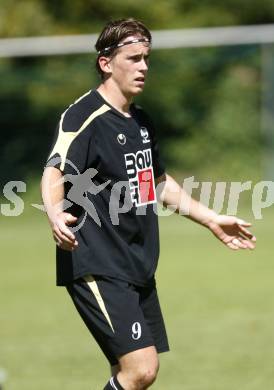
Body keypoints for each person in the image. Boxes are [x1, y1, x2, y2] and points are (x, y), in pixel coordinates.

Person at [41, 18, 256, 390]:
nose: (143, 67)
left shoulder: (141, 122)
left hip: (136, 262)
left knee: (133, 374)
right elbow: (55, 169)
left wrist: (210, 219)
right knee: (141, 369)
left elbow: (156, 183)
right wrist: (56, 211)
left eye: (146, 58)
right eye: (134, 58)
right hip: (97, 261)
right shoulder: (84, 116)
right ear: (106, 63)